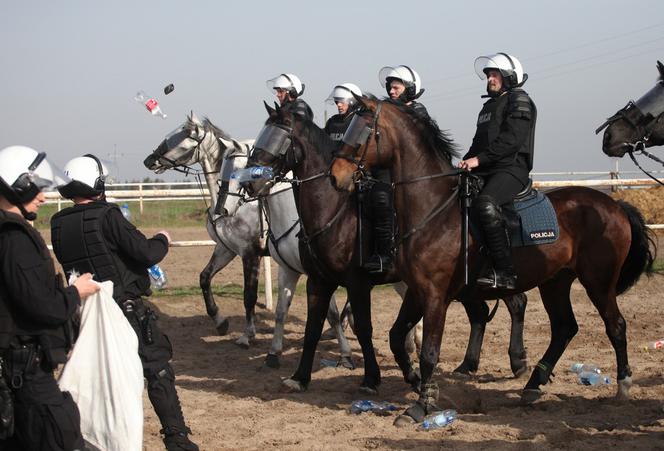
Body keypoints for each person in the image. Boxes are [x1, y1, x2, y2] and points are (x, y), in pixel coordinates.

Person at [50, 154, 199, 451]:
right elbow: (145, 252)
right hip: (124, 309)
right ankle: (177, 439)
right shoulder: (108, 215)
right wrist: (163, 239)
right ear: (98, 183)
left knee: (99, 376)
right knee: (156, 367)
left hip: (84, 312)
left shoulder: (57, 223)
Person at [0, 145, 100, 451]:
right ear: (18, 186)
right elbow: (43, 306)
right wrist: (75, 293)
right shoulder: (14, 238)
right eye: (37, 189)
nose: (43, 196)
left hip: (12, 369)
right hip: (25, 372)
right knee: (61, 437)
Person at [457, 52, 537, 290]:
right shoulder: (488, 107)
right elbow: (478, 143)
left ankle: (505, 271)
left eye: (495, 75)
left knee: (486, 204)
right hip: (488, 167)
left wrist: (479, 161)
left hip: (511, 168)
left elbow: (511, 140)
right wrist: (465, 162)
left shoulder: (519, 100)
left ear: (509, 77)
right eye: (489, 75)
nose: (490, 79)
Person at [363, 65, 429, 273]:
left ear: (409, 88)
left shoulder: (418, 113)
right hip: (386, 169)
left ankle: (386, 256)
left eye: (396, 88)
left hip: (411, 173)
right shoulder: (385, 114)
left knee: (382, 198)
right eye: (390, 88)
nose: (391, 91)